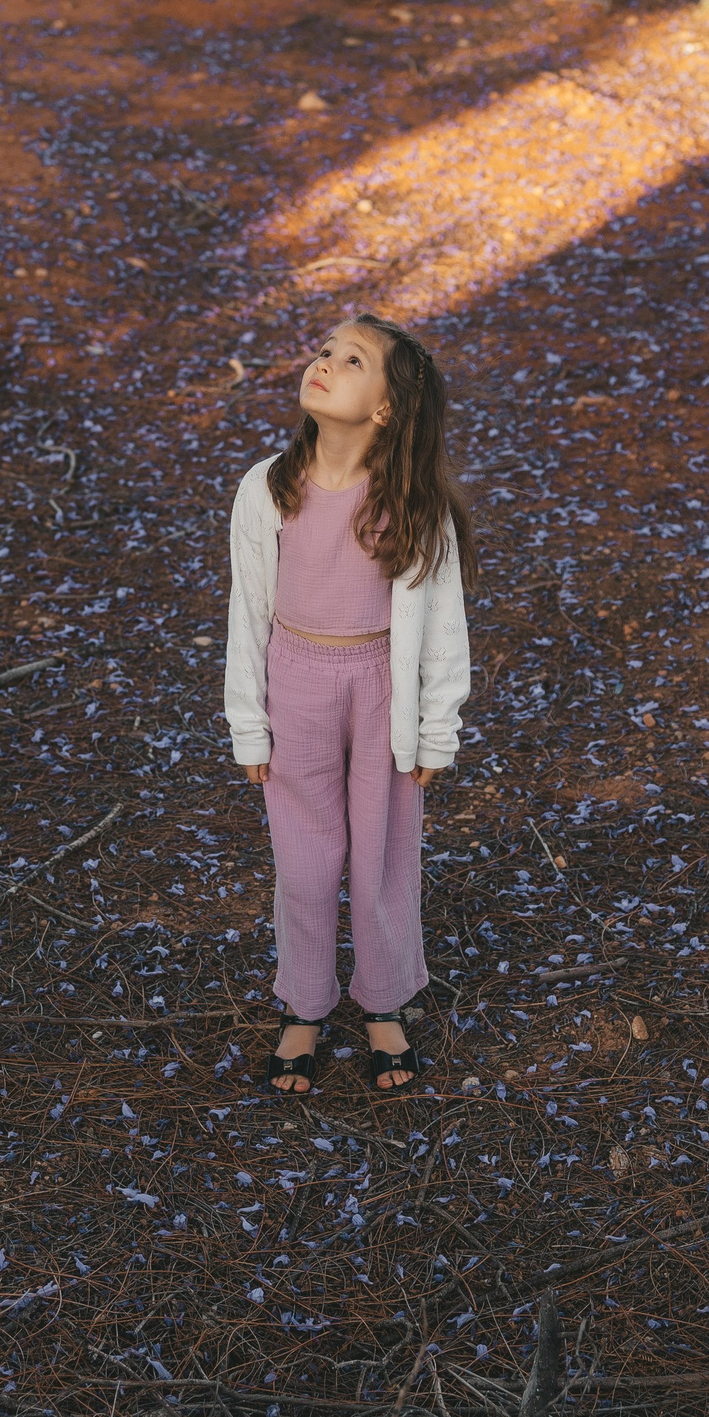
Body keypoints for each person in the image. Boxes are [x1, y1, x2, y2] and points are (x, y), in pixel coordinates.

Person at [222, 313, 474, 1094]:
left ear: (387, 408)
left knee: (382, 857)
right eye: (325, 349)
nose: (324, 361)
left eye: (352, 359)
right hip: (297, 679)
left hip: (381, 690)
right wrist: (247, 721)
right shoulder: (267, 488)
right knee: (304, 861)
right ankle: (305, 1001)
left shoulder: (414, 504)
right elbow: (247, 611)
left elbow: (441, 624)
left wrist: (437, 729)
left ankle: (383, 999)